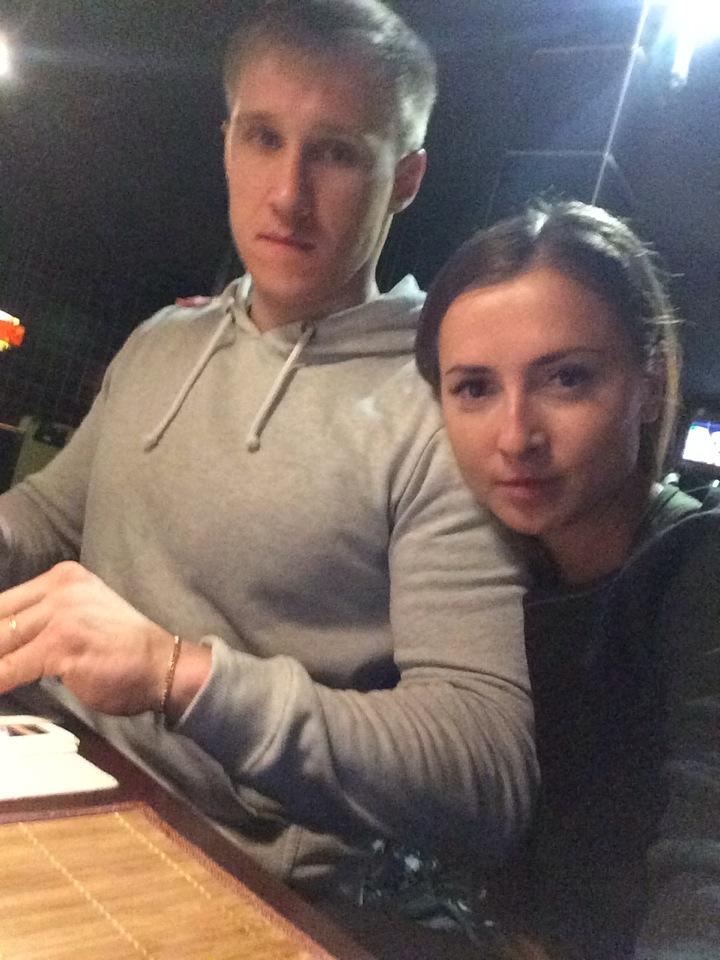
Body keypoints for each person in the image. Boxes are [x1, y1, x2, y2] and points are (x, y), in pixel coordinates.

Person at [0, 0, 535, 920]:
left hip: (229, 875)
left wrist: (176, 672)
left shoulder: (441, 408)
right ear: (226, 145)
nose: (288, 193)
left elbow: (484, 769)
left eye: (337, 153)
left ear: (405, 179)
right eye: (263, 137)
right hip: (43, 763)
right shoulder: (163, 340)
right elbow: (51, 516)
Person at [415, 199, 720, 959]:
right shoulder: (482, 573)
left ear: (651, 386)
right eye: (475, 388)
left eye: (568, 379)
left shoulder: (697, 572)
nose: (516, 437)